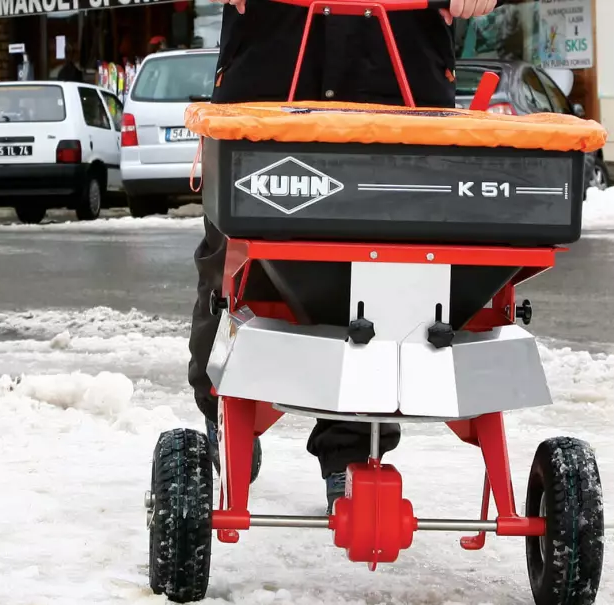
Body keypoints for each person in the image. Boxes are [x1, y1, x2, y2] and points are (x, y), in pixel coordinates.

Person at [194, 0, 498, 508]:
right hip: (267, 81)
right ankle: (221, 406)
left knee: (381, 276)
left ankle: (353, 449)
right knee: (238, 266)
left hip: (400, 89)